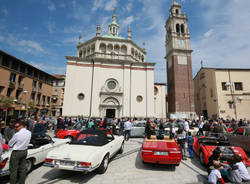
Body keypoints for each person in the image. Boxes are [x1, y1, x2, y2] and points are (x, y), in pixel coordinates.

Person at [8, 119, 31, 184]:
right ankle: (22, 182)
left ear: (21, 126)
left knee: (13, 170)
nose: (15, 128)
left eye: (17, 127)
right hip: (24, 151)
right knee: (22, 169)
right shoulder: (29, 132)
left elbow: (10, 144)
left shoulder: (17, 134)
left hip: (16, 152)